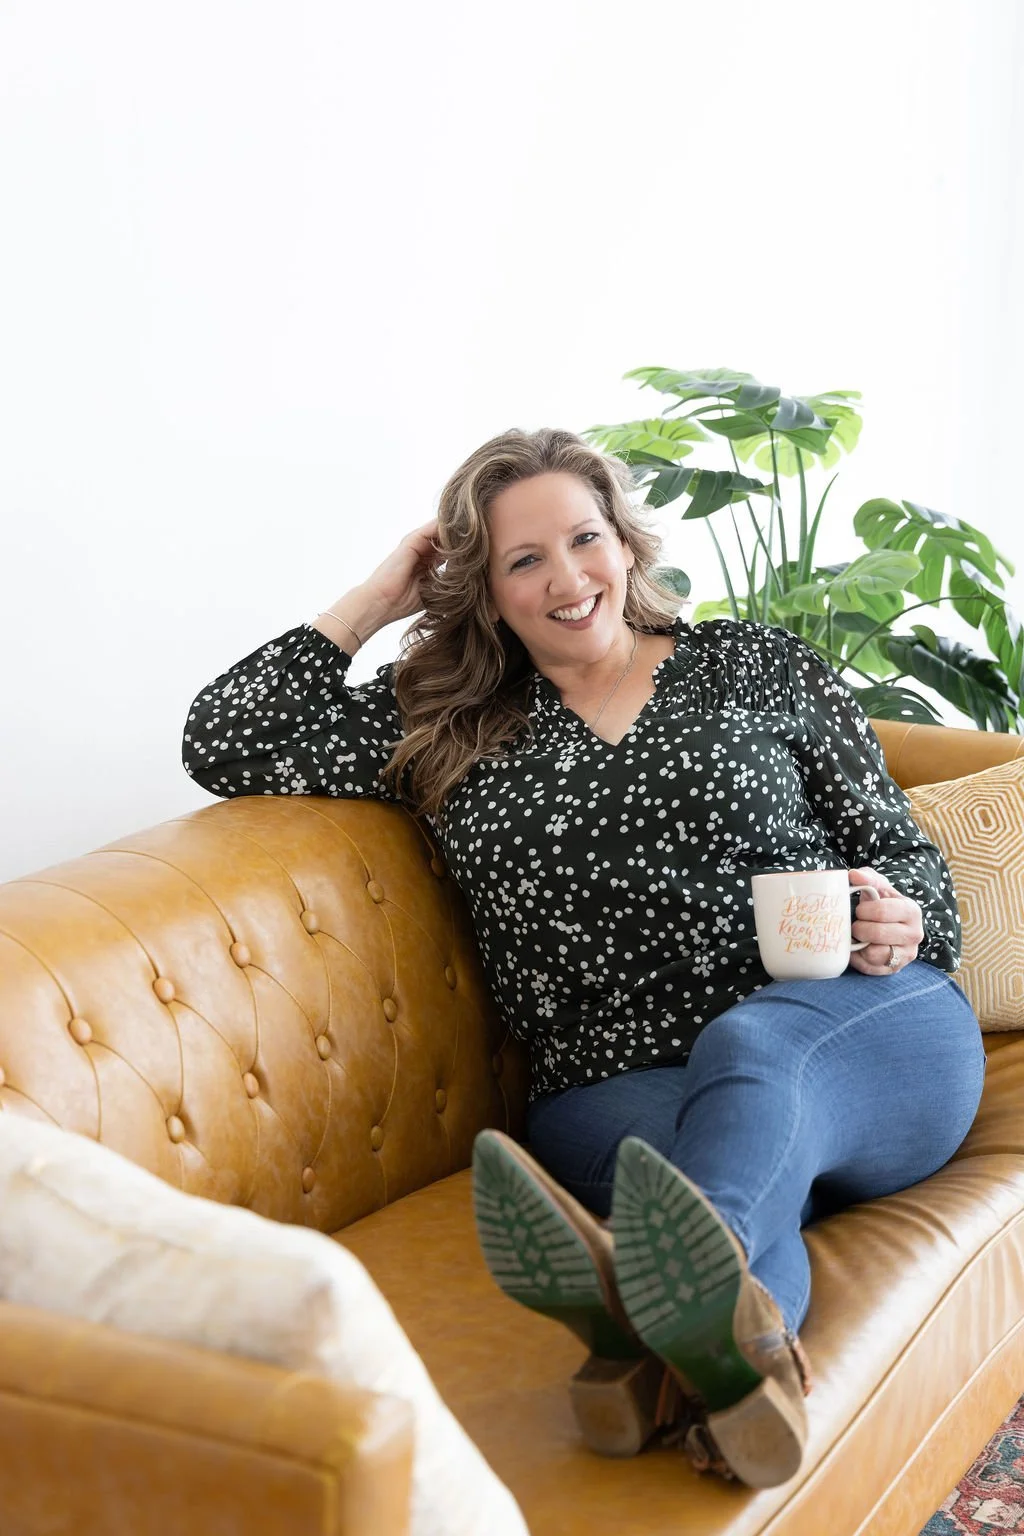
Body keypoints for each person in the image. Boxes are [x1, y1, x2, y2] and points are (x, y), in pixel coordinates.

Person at [182, 426, 985, 1490]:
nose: (566, 578)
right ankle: (710, 1371)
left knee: (750, 1059)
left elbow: (899, 853)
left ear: (626, 543)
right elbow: (225, 735)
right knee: (719, 1183)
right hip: (611, 1088)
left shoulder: (753, 664)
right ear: (483, 589)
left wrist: (899, 914)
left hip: (861, 1034)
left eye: (584, 538)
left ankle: (654, 1324)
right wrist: (380, 595)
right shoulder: (444, 719)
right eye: (523, 560)